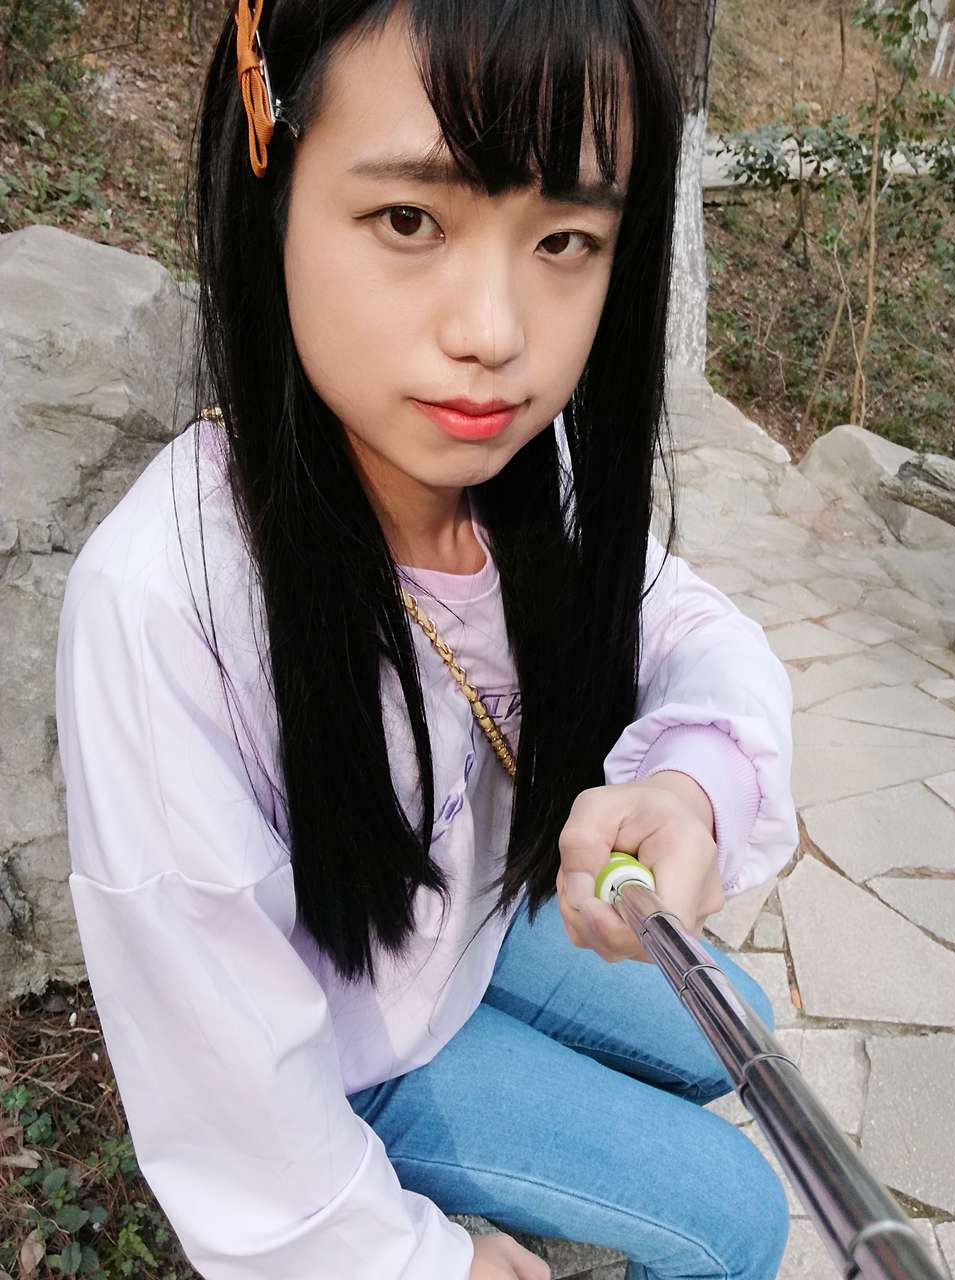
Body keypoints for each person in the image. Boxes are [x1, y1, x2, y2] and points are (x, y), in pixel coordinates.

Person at [54, 1, 800, 1277]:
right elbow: (231, 1088)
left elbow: (685, 624)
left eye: (564, 238)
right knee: (739, 1215)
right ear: (273, 182)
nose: (494, 333)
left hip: (467, 930)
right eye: (410, 219)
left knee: (740, 1016)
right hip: (353, 1049)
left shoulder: (517, 474)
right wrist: (419, 1258)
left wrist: (693, 776)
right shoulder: (168, 604)